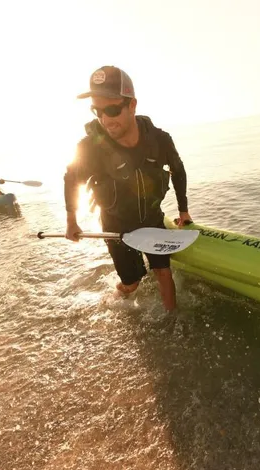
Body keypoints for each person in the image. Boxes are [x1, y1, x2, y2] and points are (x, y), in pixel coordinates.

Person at [63, 66, 192, 311]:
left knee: (163, 273)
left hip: (151, 219)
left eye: (112, 109)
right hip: (116, 226)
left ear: (132, 105)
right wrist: (72, 220)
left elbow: (178, 170)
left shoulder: (159, 140)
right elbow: (71, 179)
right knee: (133, 282)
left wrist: (184, 211)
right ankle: (112, 300)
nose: (105, 119)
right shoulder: (91, 147)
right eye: (97, 111)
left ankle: (173, 324)